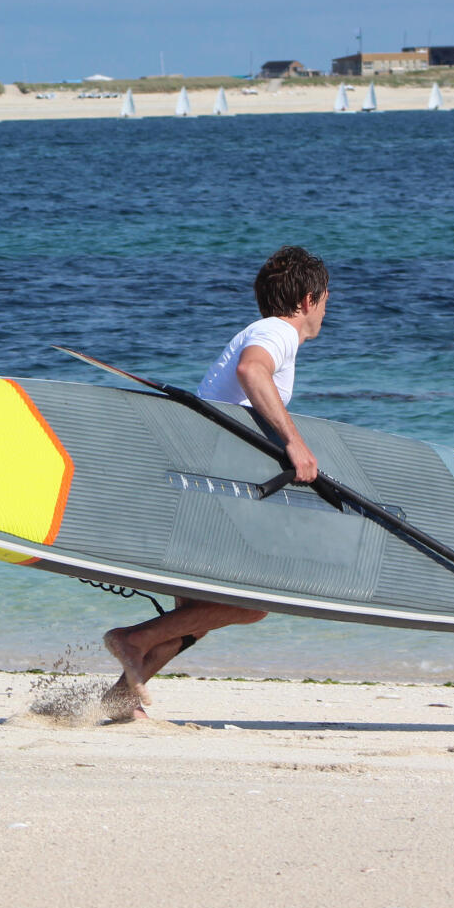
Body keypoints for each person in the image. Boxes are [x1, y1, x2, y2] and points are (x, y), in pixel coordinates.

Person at [101, 245, 329, 719]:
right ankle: (131, 640)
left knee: (196, 614)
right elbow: (252, 370)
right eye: (326, 300)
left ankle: (123, 697)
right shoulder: (276, 332)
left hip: (197, 484)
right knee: (251, 604)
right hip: (206, 488)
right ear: (308, 299)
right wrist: (294, 443)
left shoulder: (264, 329)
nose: (325, 312)